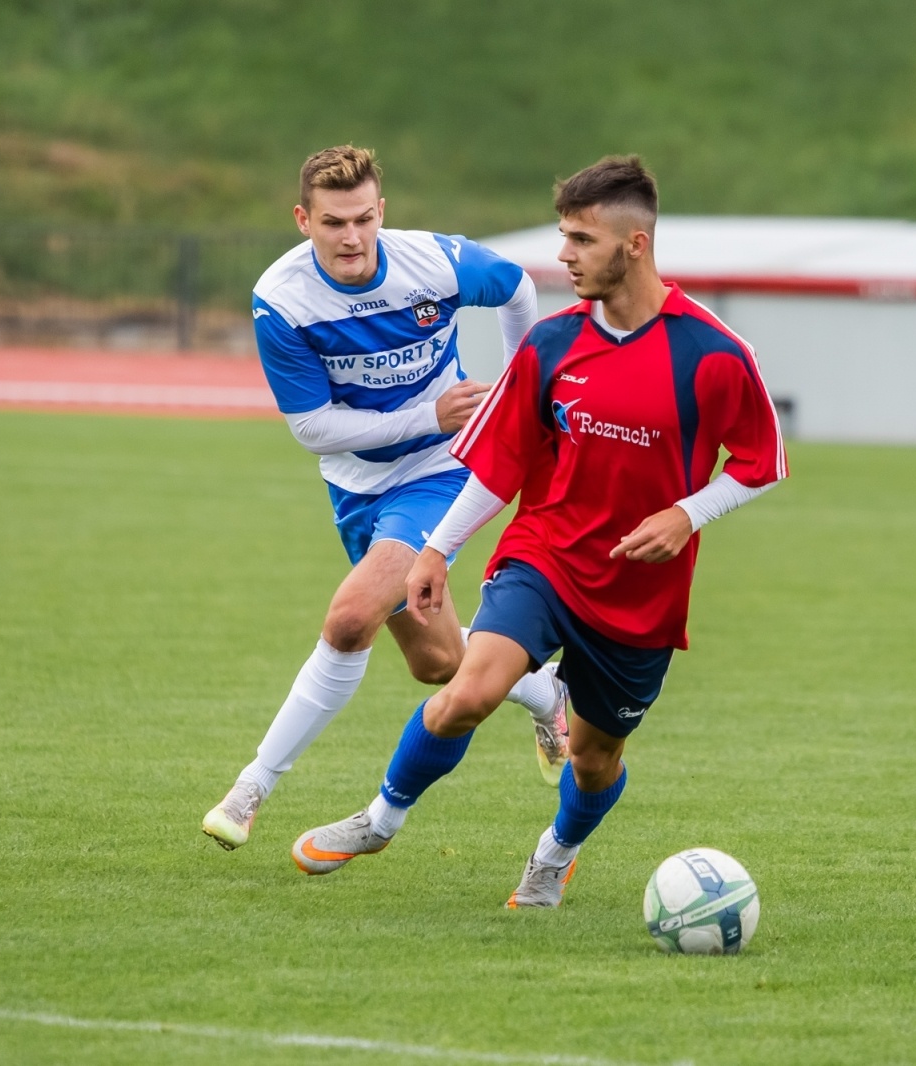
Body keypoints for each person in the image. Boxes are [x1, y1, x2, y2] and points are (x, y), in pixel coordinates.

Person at [288, 155, 788, 905]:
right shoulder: (551, 346)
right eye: (564, 235)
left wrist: (687, 514)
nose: (563, 255)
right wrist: (436, 549)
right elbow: (499, 464)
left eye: (581, 239)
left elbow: (762, 461)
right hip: (545, 557)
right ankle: (381, 818)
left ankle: (557, 852)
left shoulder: (713, 354)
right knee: (467, 693)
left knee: (593, 760)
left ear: (635, 246)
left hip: (639, 594)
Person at [203, 146, 571, 852]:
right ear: (303, 220)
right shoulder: (281, 299)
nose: (352, 237)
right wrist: (430, 414)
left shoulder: (432, 263)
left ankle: (252, 788)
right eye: (334, 222)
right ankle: (544, 690)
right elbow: (314, 428)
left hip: (441, 472)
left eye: (364, 219)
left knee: (348, 621)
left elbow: (520, 287)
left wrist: (521, 397)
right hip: (357, 487)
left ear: (383, 213)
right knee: (436, 663)